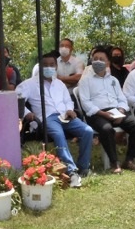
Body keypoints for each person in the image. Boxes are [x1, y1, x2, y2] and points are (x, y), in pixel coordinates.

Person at [16, 53, 94, 188]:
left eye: (51, 65)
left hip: (65, 116)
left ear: (56, 66)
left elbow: (68, 101)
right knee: (58, 134)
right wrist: (28, 113)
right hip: (47, 118)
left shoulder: (59, 84)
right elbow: (16, 100)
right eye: (45, 65)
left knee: (87, 130)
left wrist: (70, 109)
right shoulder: (29, 84)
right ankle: (71, 171)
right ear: (40, 67)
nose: (48, 67)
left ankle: (83, 167)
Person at [76, 46, 135, 173]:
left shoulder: (113, 80)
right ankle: (115, 163)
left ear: (108, 62)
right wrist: (104, 114)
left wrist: (121, 111)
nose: (97, 61)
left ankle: (129, 160)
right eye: (95, 59)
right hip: (96, 114)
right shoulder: (85, 81)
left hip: (116, 111)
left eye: (101, 59)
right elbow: (86, 103)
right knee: (106, 129)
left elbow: (122, 99)